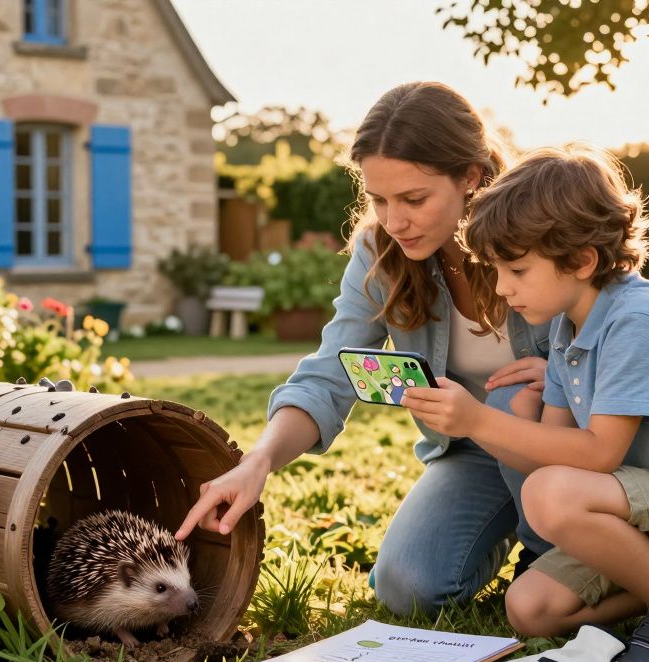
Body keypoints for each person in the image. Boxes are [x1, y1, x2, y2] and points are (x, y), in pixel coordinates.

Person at [175, 81, 553, 616]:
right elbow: (331, 375)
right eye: (379, 199)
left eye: (414, 199)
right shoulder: (382, 253)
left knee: (513, 399)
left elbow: (618, 334)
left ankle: (551, 557)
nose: (394, 221)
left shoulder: (541, 230)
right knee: (408, 586)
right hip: (474, 453)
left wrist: (564, 375)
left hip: (565, 442)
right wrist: (257, 462)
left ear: (470, 177)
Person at [401, 145, 649, 662]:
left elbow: (597, 455)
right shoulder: (567, 326)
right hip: (647, 507)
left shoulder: (638, 321)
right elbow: (555, 455)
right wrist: (497, 419)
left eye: (516, 270)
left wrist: (479, 420)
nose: (503, 289)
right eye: (497, 270)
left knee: (550, 493)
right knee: (528, 610)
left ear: (581, 260)